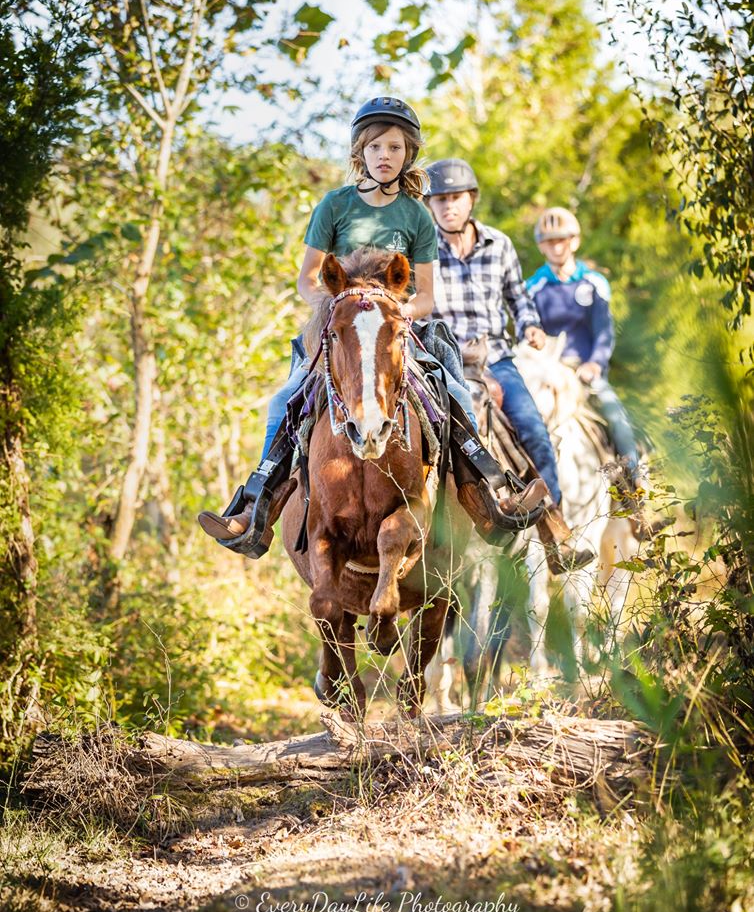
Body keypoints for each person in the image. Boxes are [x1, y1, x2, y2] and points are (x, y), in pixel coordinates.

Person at [197, 98, 545, 558]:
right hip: (341, 331)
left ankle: (490, 494)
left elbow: (426, 296)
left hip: (395, 331)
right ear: (360, 151)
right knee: (285, 399)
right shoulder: (334, 205)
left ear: (408, 154)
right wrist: (334, 308)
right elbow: (307, 279)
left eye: (395, 148)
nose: (385, 155)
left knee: (457, 392)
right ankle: (254, 508)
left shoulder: (417, 215)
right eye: (376, 146)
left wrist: (394, 313)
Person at [424, 158, 595, 573]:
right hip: (442, 362)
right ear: (430, 205)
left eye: (456, 198)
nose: (449, 206)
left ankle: (556, 534)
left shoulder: (498, 244)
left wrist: (531, 326)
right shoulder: (422, 250)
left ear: (471, 200)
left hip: (496, 358)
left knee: (535, 432)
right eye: (440, 199)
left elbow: (519, 298)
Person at [527, 206, 673, 539]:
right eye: (549, 241)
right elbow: (531, 332)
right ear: (541, 246)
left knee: (618, 420)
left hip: (586, 372)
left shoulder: (593, 283)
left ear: (574, 241)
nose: (556, 246)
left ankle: (639, 502)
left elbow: (604, 331)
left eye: (562, 240)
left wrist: (595, 364)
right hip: (550, 373)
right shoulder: (533, 287)